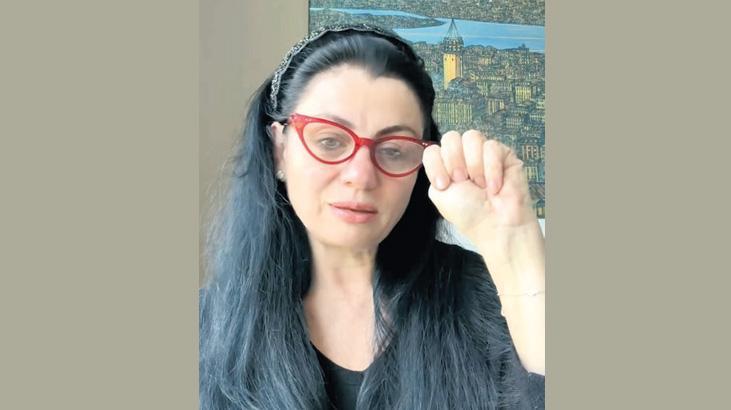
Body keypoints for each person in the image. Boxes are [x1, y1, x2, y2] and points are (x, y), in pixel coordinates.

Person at [199, 24, 545, 410]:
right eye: (329, 141)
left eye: (394, 150)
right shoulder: (207, 327)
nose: (361, 176)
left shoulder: (488, 300)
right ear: (279, 150)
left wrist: (517, 251)